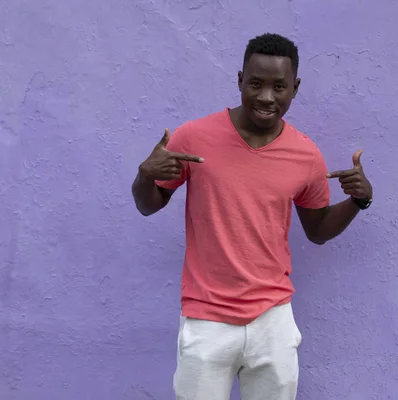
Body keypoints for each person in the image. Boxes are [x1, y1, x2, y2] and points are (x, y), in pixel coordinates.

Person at [131, 32, 373, 400]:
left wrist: (358, 202)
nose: (266, 97)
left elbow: (318, 231)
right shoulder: (193, 137)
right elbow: (149, 204)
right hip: (206, 317)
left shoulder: (306, 155)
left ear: (295, 87)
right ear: (239, 79)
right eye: (255, 84)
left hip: (272, 319)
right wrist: (144, 175)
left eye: (279, 87)